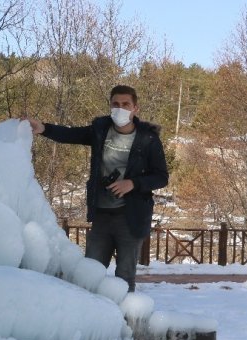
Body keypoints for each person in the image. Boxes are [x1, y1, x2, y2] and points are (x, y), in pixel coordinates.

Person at [26, 85, 169, 292]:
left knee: (125, 277)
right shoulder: (100, 130)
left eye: (125, 104)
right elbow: (71, 134)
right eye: (116, 104)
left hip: (131, 218)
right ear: (110, 106)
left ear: (135, 108)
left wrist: (133, 184)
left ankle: (123, 320)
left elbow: (161, 177)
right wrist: (44, 128)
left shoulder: (148, 139)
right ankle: (92, 320)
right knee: (90, 274)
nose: (120, 108)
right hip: (101, 215)